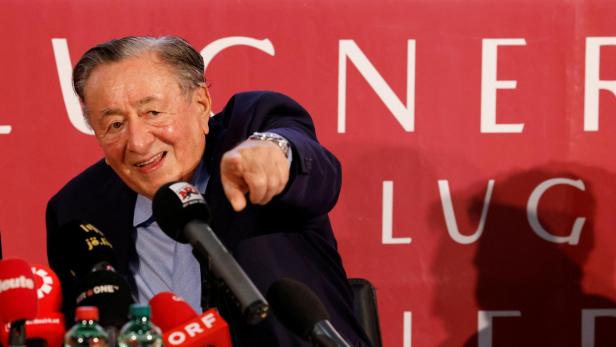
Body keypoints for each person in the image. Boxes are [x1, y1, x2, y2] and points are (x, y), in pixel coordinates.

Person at [46, 36, 371, 346]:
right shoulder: (77, 209)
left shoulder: (249, 130)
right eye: (115, 124)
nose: (139, 142)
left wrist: (273, 153)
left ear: (201, 104)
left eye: (152, 113)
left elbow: (316, 173)